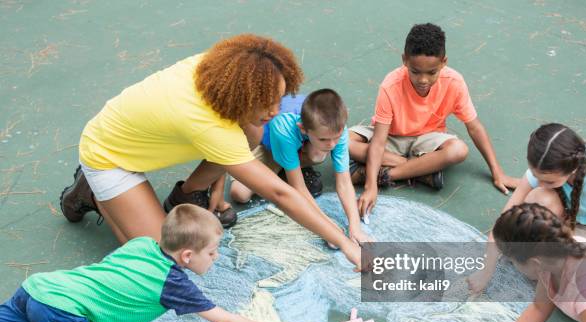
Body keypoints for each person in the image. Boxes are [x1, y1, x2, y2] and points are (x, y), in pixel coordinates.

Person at [59, 33, 361, 269]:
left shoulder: (224, 72)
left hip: (143, 136)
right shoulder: (207, 124)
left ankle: (185, 195)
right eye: (266, 102)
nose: (275, 110)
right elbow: (281, 193)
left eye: (279, 98)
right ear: (242, 95)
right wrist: (343, 242)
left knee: (253, 130)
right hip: (108, 156)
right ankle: (92, 194)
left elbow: (230, 151)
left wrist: (216, 192)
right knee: (166, 260)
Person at [0, 204, 297, 322]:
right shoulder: (174, 285)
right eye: (212, 252)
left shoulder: (142, 243)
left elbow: (111, 276)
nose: (216, 257)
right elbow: (226, 320)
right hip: (60, 311)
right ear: (187, 257)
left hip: (40, 287)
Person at [348, 23, 518, 217]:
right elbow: (378, 141)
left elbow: (475, 128)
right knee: (342, 140)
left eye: (431, 72)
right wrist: (370, 188)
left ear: (443, 62)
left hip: (427, 141)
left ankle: (388, 174)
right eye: (415, 71)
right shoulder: (390, 85)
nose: (423, 80)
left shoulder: (454, 82)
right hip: (390, 138)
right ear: (404, 60)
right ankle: (422, 171)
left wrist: (498, 172)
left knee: (458, 150)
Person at [468, 123, 586, 294]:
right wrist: (486, 271)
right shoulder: (544, 167)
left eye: (549, 181)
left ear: (572, 169)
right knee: (539, 198)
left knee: (577, 273)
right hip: (569, 219)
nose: (540, 184)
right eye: (535, 176)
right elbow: (504, 222)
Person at [230, 89, 371, 243]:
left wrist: (355, 227)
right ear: (303, 128)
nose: (331, 145)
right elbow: (298, 188)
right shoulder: (283, 126)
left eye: (335, 138)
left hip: (299, 143)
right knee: (240, 193)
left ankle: (291, 165)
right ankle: (288, 167)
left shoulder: (337, 129)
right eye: (324, 139)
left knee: (318, 154)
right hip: (268, 144)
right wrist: (329, 228)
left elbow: (344, 182)